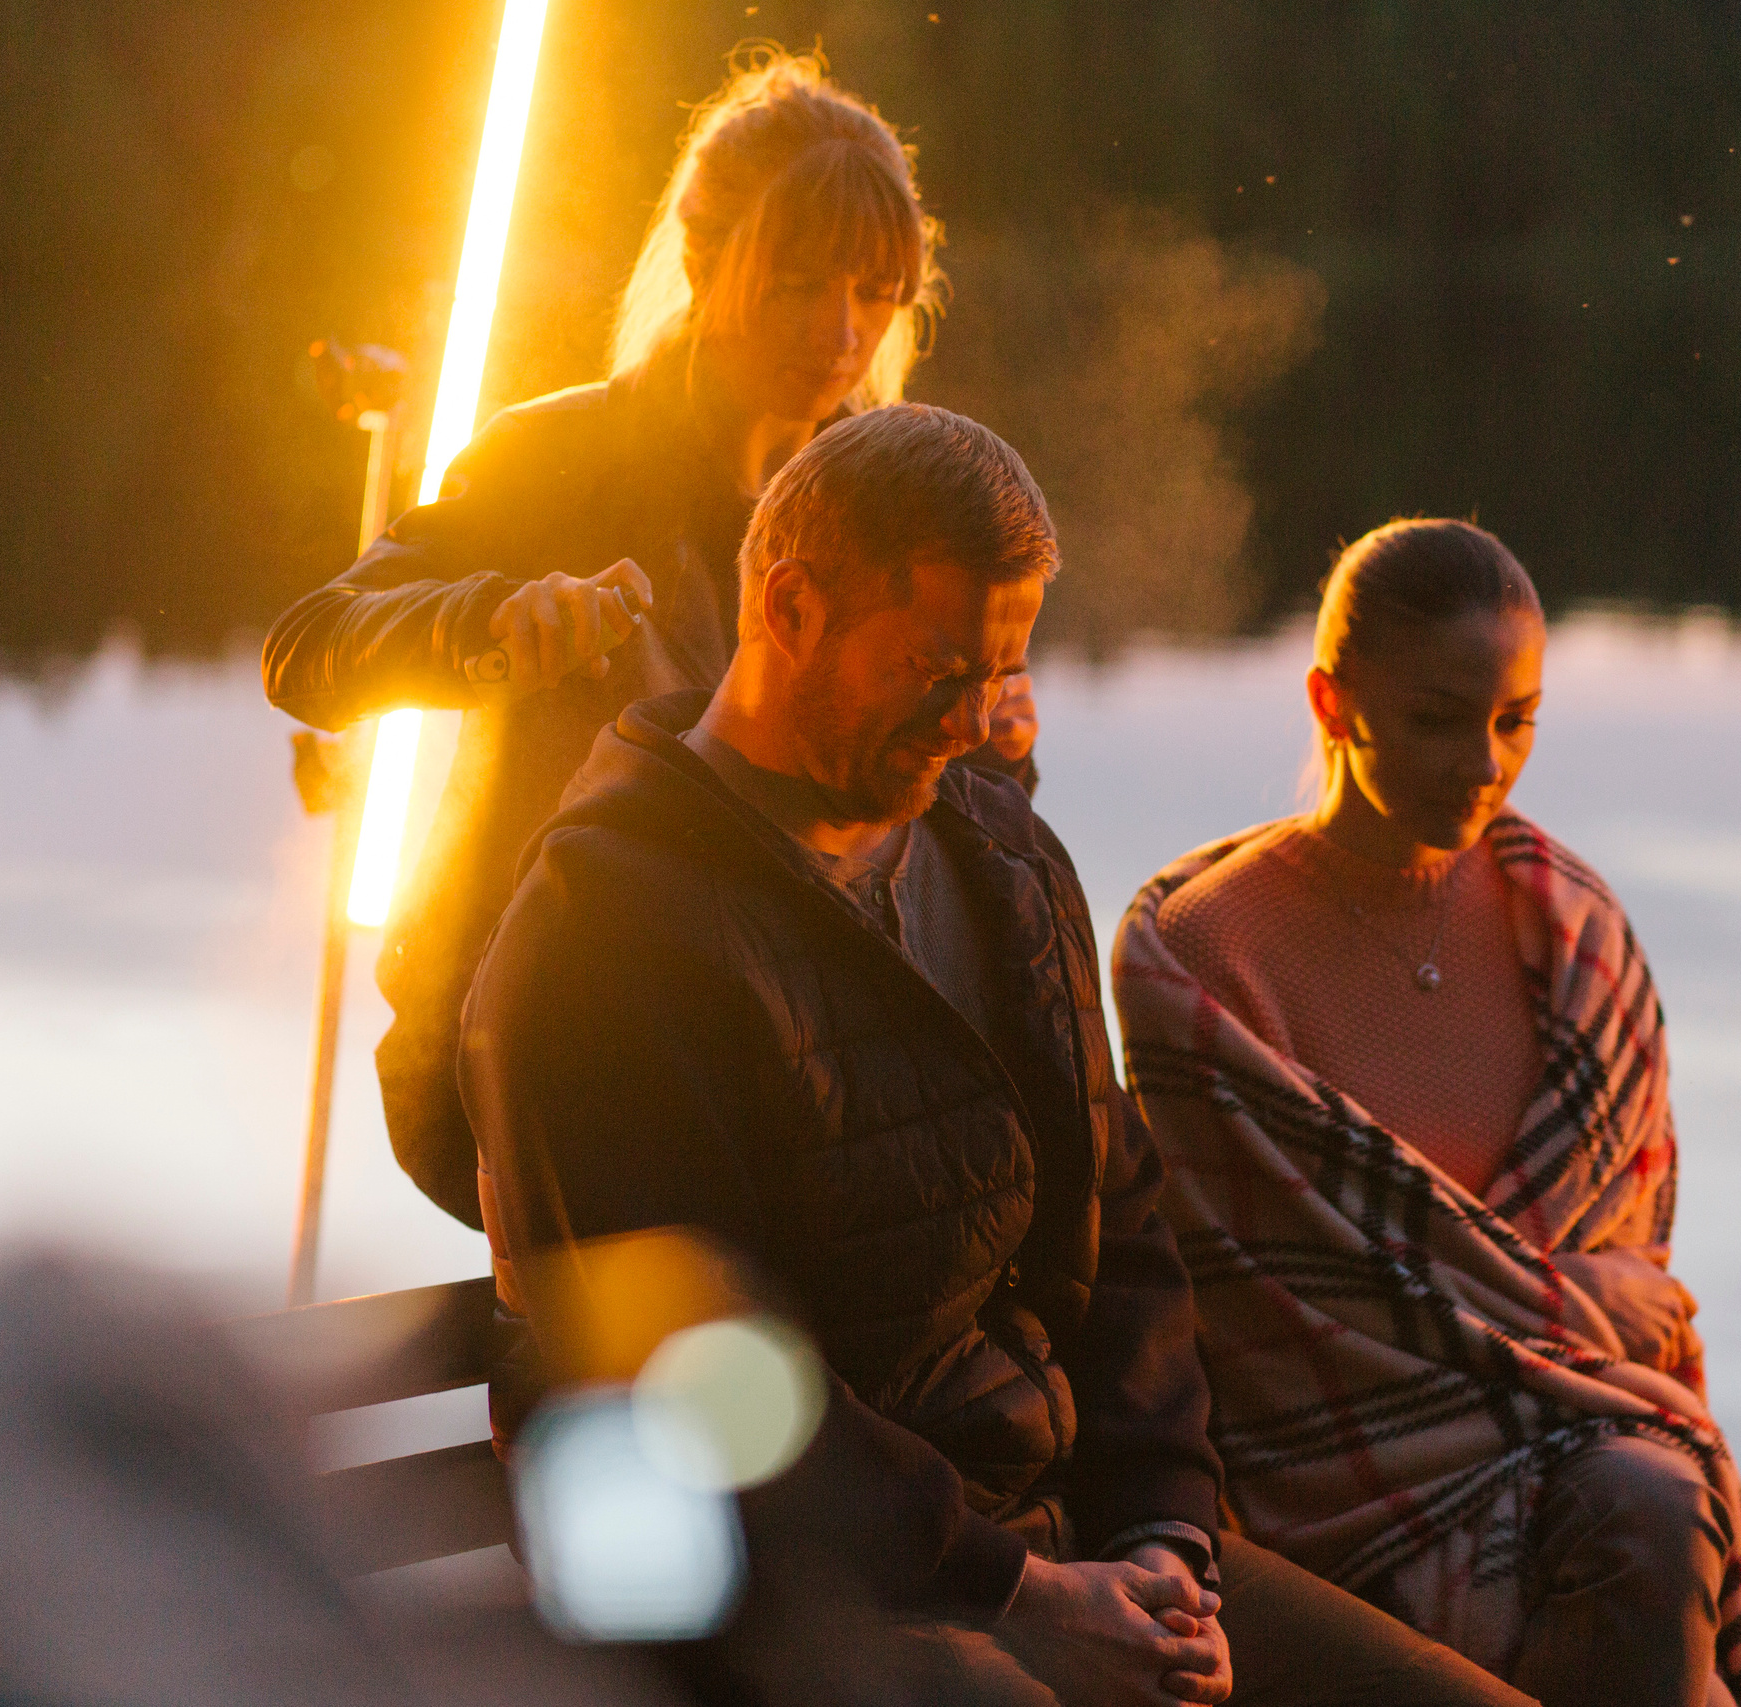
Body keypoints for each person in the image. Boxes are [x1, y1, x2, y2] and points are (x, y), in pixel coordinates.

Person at [460, 408, 1529, 1707]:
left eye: (1001, 670)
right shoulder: (606, 932)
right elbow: (704, 1376)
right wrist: (1016, 1596)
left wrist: (1163, 1537)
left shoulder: (1000, 858)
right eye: (935, 666)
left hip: (1046, 1534)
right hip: (751, 1595)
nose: (976, 718)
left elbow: (1123, 1224)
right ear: (789, 606)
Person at [261, 51, 1036, 1228]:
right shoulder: (561, 462)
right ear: (701, 258)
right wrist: (485, 625)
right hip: (536, 1040)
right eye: (797, 284)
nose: (842, 332)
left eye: (876, 293)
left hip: (793, 1042)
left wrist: (991, 749)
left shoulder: (892, 495)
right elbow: (308, 650)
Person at [1110, 520, 1741, 1707]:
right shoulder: (1210, 958)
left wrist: (1563, 1318)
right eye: (1434, 718)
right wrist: (1569, 1305)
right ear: (1332, 700)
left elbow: (1633, 1281)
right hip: (1319, 1468)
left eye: (1514, 720)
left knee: (1653, 1500)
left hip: (1566, 1438)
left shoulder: (1573, 938)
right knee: (1638, 1516)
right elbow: (1259, 1302)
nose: (1482, 763)